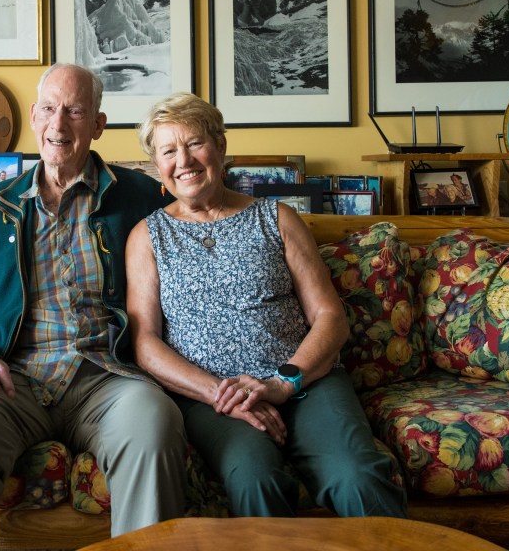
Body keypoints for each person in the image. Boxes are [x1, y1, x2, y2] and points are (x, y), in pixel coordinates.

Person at [0, 63, 185, 551]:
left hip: (109, 378)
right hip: (14, 380)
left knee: (155, 425)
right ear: (35, 116)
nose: (58, 125)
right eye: (48, 109)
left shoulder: (141, 198)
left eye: (75, 111)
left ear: (98, 125)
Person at [125, 92, 407, 519]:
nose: (183, 160)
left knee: (357, 477)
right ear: (157, 166)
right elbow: (145, 342)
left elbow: (330, 316)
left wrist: (281, 384)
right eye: (168, 151)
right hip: (212, 399)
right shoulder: (147, 238)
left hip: (306, 384)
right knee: (255, 479)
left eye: (195, 143)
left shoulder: (276, 218)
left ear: (220, 147)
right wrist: (224, 395)